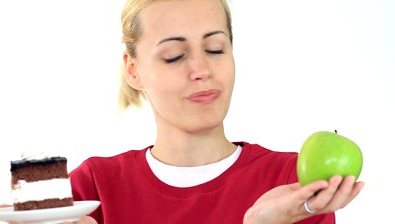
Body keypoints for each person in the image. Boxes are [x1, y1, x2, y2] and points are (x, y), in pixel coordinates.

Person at [69, 0, 364, 223]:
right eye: (174, 56)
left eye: (214, 49)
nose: (201, 70)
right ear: (134, 71)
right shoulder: (91, 188)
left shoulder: (293, 185)